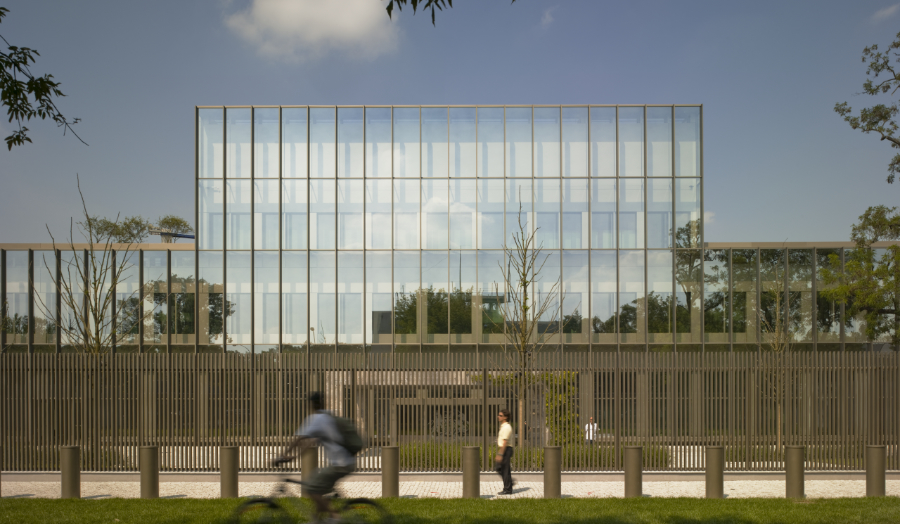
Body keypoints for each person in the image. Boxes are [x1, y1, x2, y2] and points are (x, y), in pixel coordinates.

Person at [276, 392, 356, 523]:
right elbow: (311, 442)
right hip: (346, 461)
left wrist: (282, 456)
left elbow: (299, 439)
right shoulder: (328, 416)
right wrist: (295, 456)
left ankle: (334, 517)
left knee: (312, 488)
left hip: (340, 464)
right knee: (316, 487)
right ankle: (316, 520)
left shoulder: (316, 419)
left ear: (311, 405)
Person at [494, 408, 515, 495]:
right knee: (500, 468)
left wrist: (500, 454)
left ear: (505, 417)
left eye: (500, 415)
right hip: (505, 449)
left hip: (506, 449)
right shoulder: (503, 426)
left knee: (504, 469)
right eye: (498, 415)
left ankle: (508, 489)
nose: (498, 417)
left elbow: (505, 442)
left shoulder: (507, 427)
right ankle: (509, 483)